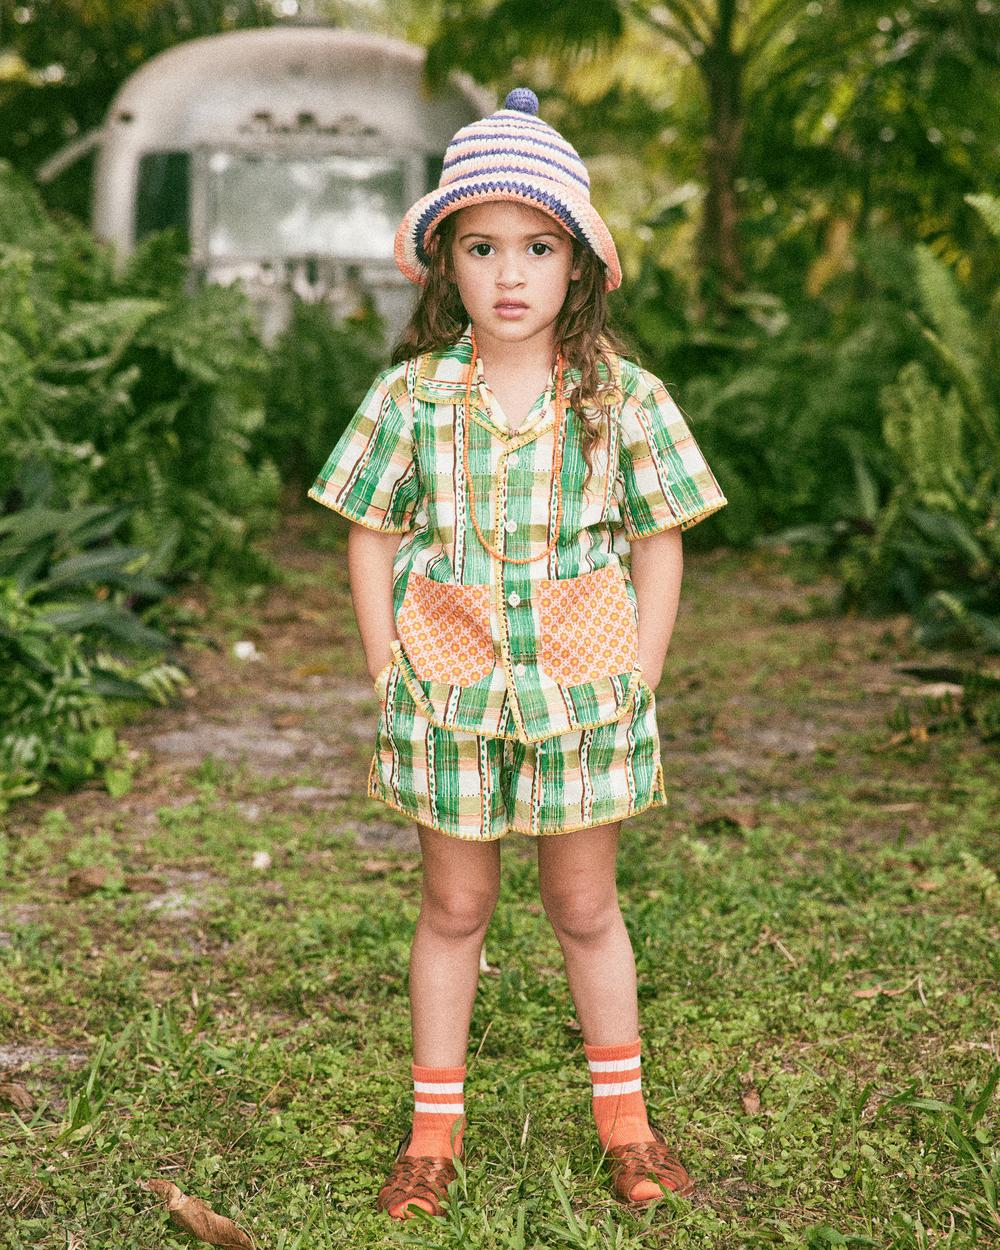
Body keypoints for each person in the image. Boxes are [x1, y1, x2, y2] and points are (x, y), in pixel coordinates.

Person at [307, 87, 727, 1220]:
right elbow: (370, 526)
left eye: (536, 247)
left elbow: (661, 537)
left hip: (584, 684)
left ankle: (626, 1125)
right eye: (482, 246)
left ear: (578, 265)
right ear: (445, 263)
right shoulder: (412, 395)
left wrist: (638, 672)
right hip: (446, 682)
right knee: (452, 904)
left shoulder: (621, 397)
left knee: (585, 903)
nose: (509, 273)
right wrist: (382, 662)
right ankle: (431, 1134)